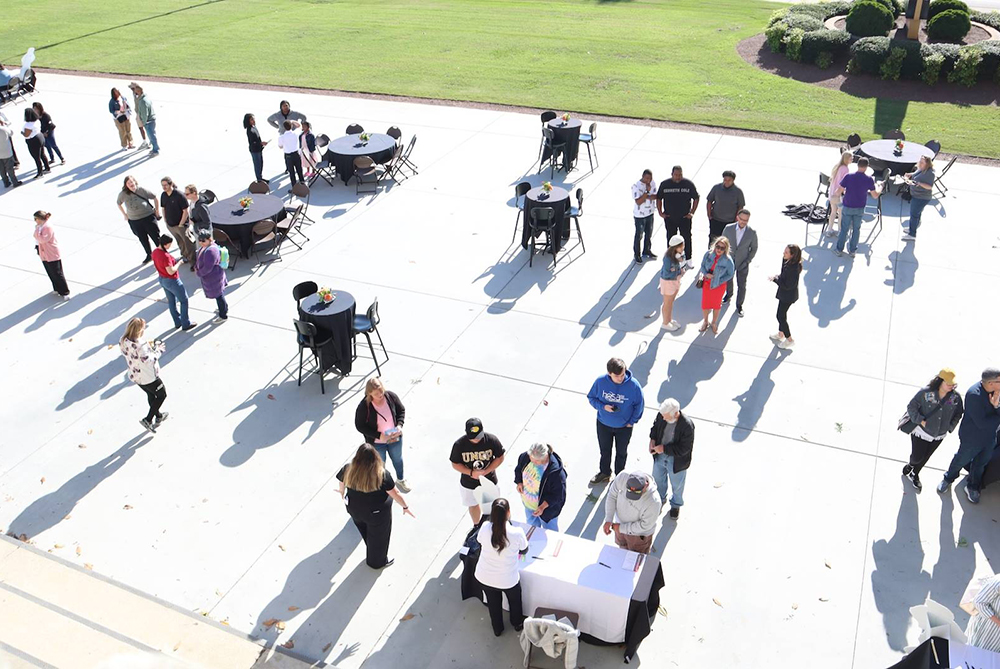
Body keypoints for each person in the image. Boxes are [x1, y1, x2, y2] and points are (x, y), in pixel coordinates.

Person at [337, 443, 414, 570]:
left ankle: (371, 547)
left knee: (364, 529)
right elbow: (396, 494)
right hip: (376, 513)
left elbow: (341, 482)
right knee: (379, 538)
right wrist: (405, 507)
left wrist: (341, 492)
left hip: (354, 508)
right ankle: (377, 562)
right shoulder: (382, 474)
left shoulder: (348, 468)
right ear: (375, 457)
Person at [937, 368, 1000, 504]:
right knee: (961, 459)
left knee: (980, 464)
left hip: (989, 439)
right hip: (972, 439)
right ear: (990, 383)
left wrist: (996, 407)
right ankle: (948, 479)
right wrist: (996, 410)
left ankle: (972, 486)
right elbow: (982, 423)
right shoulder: (974, 395)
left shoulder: (998, 392)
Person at [901, 369, 963, 491]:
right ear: (940, 381)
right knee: (917, 456)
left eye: (953, 384)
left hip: (939, 435)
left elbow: (959, 413)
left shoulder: (955, 398)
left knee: (926, 457)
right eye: (948, 383)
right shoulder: (926, 393)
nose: (951, 386)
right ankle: (911, 464)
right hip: (921, 432)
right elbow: (911, 407)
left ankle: (915, 474)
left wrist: (949, 427)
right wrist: (920, 420)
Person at [587, 357, 645, 485]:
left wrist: (631, 422)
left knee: (621, 453)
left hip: (624, 427)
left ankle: (620, 477)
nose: (621, 378)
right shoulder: (600, 382)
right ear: (609, 374)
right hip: (603, 424)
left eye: (623, 374)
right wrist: (603, 407)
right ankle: (605, 472)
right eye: (617, 376)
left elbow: (639, 405)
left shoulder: (634, 386)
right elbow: (591, 397)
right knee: (605, 450)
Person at [475, 499, 528, 637]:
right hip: (508, 579)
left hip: (484, 576)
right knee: (515, 600)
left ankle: (497, 628)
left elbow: (479, 541)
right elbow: (524, 550)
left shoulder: (485, 527)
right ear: (508, 513)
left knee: (493, 603)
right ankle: (517, 623)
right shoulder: (516, 532)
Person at [354, 378, 409, 492]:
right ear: (369, 394)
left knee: (397, 459)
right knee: (379, 465)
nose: (380, 395)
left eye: (381, 392)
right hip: (377, 443)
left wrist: (399, 425)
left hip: (394, 438)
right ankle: (383, 485)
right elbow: (360, 426)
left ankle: (400, 479)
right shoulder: (364, 406)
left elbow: (401, 410)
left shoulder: (391, 397)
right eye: (376, 394)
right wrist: (378, 435)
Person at [449, 418, 505, 525]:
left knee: (491, 505)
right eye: (472, 438)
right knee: (473, 504)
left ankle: (492, 526)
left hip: (488, 480)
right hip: (468, 482)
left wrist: (487, 470)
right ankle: (476, 525)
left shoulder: (491, 440)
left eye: (478, 436)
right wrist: (470, 472)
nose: (476, 440)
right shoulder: (459, 444)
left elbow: (500, 457)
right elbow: (455, 463)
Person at [119, 317, 168, 434]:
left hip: (135, 376)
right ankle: (148, 419)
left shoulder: (123, 340)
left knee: (151, 395)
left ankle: (159, 416)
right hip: (149, 377)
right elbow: (149, 360)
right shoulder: (141, 345)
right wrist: (159, 350)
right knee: (162, 395)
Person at [648, 399, 694, 519]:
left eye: (666, 417)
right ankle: (659, 500)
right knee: (657, 480)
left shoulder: (687, 426)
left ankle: (675, 505)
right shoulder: (662, 414)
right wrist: (652, 440)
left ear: (675, 414)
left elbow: (684, 449)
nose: (663, 419)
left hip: (676, 461)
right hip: (660, 455)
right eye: (662, 416)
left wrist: (663, 448)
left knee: (677, 485)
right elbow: (655, 427)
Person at [835, 157, 882, 258]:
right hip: (860, 208)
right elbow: (875, 195)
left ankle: (839, 249)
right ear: (867, 167)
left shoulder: (848, 177)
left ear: (857, 165)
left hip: (847, 206)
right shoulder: (869, 179)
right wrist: (880, 187)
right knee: (856, 229)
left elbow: (838, 191)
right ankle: (852, 251)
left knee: (844, 229)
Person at [514, 443, 566, 531]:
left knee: (550, 533)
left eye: (535, 461)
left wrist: (542, 507)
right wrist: (519, 482)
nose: (532, 462)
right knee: (532, 531)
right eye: (531, 458)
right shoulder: (525, 457)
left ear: (544, 457)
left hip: (547, 512)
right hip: (528, 505)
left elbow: (558, 495)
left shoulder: (556, 473)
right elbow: (518, 469)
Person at [602, 471, 658, 554]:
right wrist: (608, 519)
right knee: (622, 552)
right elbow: (612, 496)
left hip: (638, 536)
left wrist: (621, 528)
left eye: (637, 493)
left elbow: (645, 525)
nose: (631, 498)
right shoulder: (622, 477)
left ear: (646, 485)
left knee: (636, 561)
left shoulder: (654, 502)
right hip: (619, 526)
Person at [656, 165, 699, 268]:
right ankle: (672, 260)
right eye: (676, 175)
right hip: (670, 218)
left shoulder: (688, 184)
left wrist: (692, 212)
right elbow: (659, 198)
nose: (678, 177)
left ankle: (688, 259)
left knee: (687, 238)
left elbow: (696, 198)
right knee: (671, 239)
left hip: (684, 218)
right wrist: (660, 212)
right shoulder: (665, 184)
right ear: (672, 174)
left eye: (680, 175)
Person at [152, 235, 196, 331]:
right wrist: (179, 263)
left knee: (171, 301)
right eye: (169, 245)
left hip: (162, 279)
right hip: (172, 281)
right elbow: (171, 271)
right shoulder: (165, 256)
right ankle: (185, 323)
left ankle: (177, 321)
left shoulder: (155, 252)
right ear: (165, 244)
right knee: (184, 301)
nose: (170, 246)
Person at [116, 175, 162, 264]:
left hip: (148, 217)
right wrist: (125, 214)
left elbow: (155, 197)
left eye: (132, 182)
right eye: (129, 183)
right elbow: (118, 203)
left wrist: (157, 211)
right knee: (142, 238)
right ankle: (149, 254)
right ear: (126, 185)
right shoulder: (123, 194)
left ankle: (162, 254)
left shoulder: (141, 190)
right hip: (134, 220)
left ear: (135, 182)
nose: (131, 184)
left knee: (155, 236)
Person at [722, 208, 757, 317]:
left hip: (743, 263)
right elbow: (722, 243)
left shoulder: (752, 233)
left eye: (746, 220)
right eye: (741, 219)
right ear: (737, 217)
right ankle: (728, 295)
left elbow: (754, 248)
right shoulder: (728, 228)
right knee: (728, 280)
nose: (743, 222)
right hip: (729, 261)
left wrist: (747, 261)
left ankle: (739, 306)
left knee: (742, 285)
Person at [697, 236, 735, 334]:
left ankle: (714, 323)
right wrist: (706, 274)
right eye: (718, 247)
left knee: (716, 305)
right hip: (707, 283)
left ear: (725, 249)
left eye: (722, 248)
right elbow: (702, 266)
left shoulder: (728, 260)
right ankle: (705, 321)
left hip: (719, 286)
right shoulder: (708, 254)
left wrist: (719, 280)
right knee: (705, 304)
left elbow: (730, 274)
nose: (719, 250)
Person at [769, 243, 802, 350]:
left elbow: (787, 285)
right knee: (782, 314)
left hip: (788, 296)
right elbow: (783, 275)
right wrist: (777, 276)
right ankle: (781, 333)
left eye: (786, 252)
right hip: (784, 294)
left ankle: (789, 339)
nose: (784, 253)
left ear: (792, 255)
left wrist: (775, 280)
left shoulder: (794, 269)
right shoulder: (786, 261)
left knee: (780, 316)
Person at [160, 177, 196, 267]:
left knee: (188, 243)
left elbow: (185, 211)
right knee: (180, 242)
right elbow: (163, 208)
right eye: (162, 185)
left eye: (165, 185)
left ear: (171, 184)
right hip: (170, 225)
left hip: (181, 225)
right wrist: (165, 219)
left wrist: (181, 224)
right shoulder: (163, 195)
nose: (164, 187)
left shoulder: (179, 195)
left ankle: (193, 262)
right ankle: (184, 256)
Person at [33, 211, 69, 299]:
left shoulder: (47, 227)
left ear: (40, 218)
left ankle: (65, 292)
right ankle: (57, 288)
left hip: (51, 253)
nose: (35, 221)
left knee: (57, 273)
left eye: (36, 219)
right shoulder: (39, 227)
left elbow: (43, 239)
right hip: (44, 252)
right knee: (50, 272)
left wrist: (37, 232)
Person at [195, 231, 229, 323]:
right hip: (214, 276)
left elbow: (207, 267)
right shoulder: (207, 247)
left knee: (218, 295)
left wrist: (199, 273)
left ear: (209, 239)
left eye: (203, 241)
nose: (201, 242)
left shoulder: (211, 250)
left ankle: (223, 315)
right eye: (200, 240)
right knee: (220, 294)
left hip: (214, 278)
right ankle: (224, 308)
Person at [705, 170, 745, 247]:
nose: (726, 182)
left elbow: (740, 206)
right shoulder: (716, 188)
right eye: (725, 180)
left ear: (733, 180)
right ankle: (711, 258)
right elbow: (709, 201)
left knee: (727, 243)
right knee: (713, 241)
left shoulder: (738, 192)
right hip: (716, 220)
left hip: (730, 222)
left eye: (729, 180)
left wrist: (737, 220)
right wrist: (709, 215)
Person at [901, 156, 935, 241]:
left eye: (922, 162)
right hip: (916, 195)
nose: (920, 163)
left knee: (914, 215)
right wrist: (910, 175)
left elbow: (929, 187)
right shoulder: (921, 168)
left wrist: (919, 183)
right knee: (917, 213)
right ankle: (912, 228)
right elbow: (916, 174)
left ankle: (912, 234)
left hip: (921, 197)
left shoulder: (930, 173)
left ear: (927, 164)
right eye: (920, 161)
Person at [965, 572, 1000, 652]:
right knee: (971, 653)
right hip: (984, 629)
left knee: (990, 659)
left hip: (997, 640)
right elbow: (978, 602)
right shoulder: (997, 582)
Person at [659, 234, 687, 331]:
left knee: (671, 303)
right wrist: (677, 274)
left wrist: (681, 261)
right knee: (667, 303)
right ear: (676, 247)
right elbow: (667, 273)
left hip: (675, 280)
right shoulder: (668, 258)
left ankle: (669, 320)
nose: (683, 248)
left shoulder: (679, 255)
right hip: (669, 282)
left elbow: (683, 262)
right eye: (681, 246)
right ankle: (665, 323)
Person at [631, 169, 658, 265]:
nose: (648, 180)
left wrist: (646, 196)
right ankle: (637, 254)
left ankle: (647, 250)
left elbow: (656, 196)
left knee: (649, 233)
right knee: (639, 235)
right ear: (642, 176)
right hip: (639, 215)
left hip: (650, 213)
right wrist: (647, 192)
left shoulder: (652, 183)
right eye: (647, 178)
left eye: (650, 178)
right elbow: (638, 201)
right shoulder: (636, 186)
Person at [826, 151, 852, 238]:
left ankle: (829, 229)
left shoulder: (837, 167)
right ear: (846, 159)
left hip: (832, 193)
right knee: (840, 213)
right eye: (850, 158)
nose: (852, 159)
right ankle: (840, 230)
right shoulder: (846, 169)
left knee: (833, 212)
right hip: (839, 195)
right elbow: (844, 183)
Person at [128, 83, 159, 156]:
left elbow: (145, 114)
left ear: (138, 91)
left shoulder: (142, 101)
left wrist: (144, 122)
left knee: (151, 136)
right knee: (152, 135)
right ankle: (155, 148)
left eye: (134, 90)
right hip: (151, 119)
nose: (134, 92)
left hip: (148, 121)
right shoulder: (145, 97)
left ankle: (156, 150)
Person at [21, 108, 50, 179]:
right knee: (42, 154)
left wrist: (22, 133)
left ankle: (40, 173)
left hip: (33, 141)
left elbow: (26, 135)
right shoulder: (36, 120)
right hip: (40, 136)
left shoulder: (27, 125)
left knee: (36, 157)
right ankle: (47, 168)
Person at [277, 120, 304, 189]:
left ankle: (294, 187)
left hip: (288, 156)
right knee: (299, 170)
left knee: (291, 173)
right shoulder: (295, 133)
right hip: (296, 154)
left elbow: (280, 146)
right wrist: (293, 121)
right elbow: (299, 126)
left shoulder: (281, 137)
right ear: (291, 126)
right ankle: (302, 184)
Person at [243, 113, 269, 183]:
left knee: (261, 164)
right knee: (257, 165)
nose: (253, 120)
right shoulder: (250, 130)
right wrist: (261, 143)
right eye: (252, 119)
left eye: (253, 119)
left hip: (259, 149)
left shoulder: (254, 127)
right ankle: (259, 180)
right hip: (255, 150)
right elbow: (252, 143)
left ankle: (260, 177)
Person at [0, 118, 20, 188]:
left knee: (2, 170)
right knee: (10, 169)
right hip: (7, 152)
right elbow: (11, 133)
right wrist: (4, 125)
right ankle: (15, 182)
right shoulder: (4, 129)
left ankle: (6, 182)